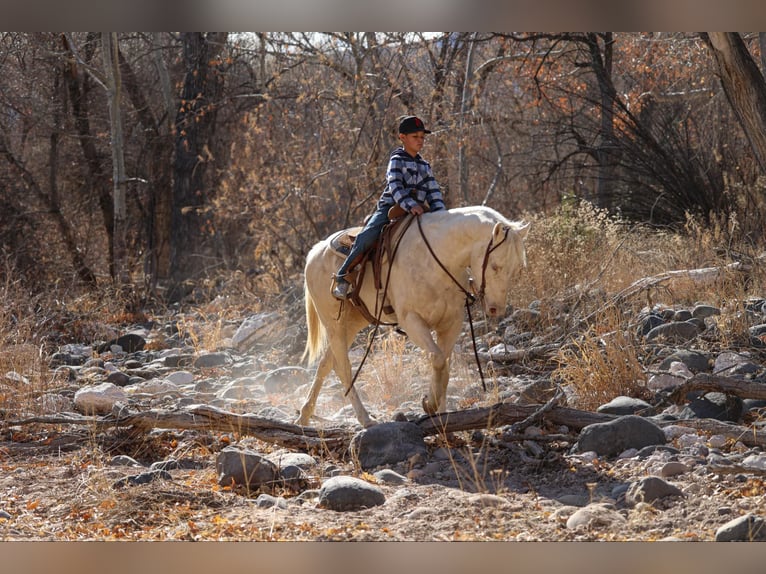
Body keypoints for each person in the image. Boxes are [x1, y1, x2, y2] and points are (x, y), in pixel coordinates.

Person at [332, 115, 446, 300]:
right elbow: (395, 187)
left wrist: (442, 216)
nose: (420, 141)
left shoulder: (425, 166)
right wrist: (410, 205)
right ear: (402, 137)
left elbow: (433, 192)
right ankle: (343, 277)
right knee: (367, 237)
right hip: (393, 207)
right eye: (415, 137)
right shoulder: (397, 159)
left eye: (422, 137)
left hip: (420, 211)